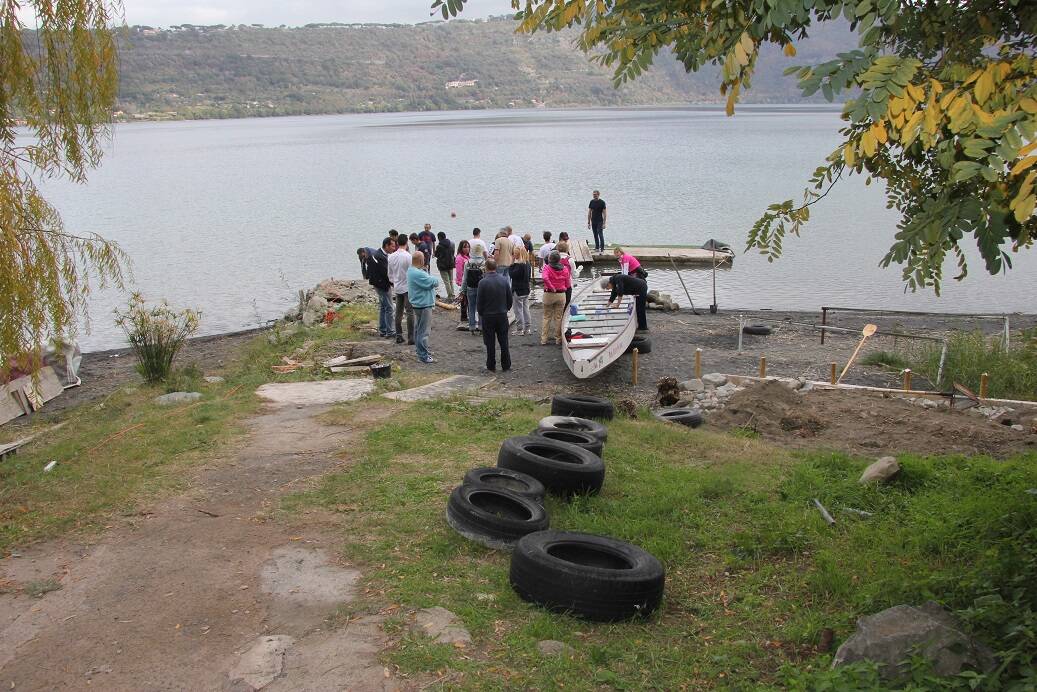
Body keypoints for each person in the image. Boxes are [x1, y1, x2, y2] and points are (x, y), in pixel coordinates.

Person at [477, 259, 513, 372]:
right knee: (504, 341)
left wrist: (481, 313)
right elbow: (509, 298)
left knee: (490, 342)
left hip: (488, 315)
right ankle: (506, 364)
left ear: (486, 268)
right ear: (496, 267)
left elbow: (479, 301)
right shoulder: (504, 280)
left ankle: (491, 365)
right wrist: (506, 308)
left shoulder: (482, 282)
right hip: (502, 314)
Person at [407, 251, 439, 363]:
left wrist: (425, 271)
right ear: (421, 260)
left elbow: (426, 280)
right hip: (424, 304)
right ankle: (423, 356)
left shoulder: (411, 270)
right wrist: (430, 276)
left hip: (418, 304)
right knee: (423, 331)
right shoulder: (418, 273)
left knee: (419, 329)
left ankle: (421, 351)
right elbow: (434, 282)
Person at [366, 237, 396, 338]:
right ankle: (390, 331)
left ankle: (383, 330)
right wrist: (393, 284)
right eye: (392, 246)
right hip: (382, 285)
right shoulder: (381, 257)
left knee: (383, 307)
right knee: (389, 308)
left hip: (378, 284)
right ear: (386, 245)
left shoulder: (378, 254)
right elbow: (386, 273)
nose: (394, 248)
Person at [388, 235, 415, 344]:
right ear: (407, 242)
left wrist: (394, 282)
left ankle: (399, 335)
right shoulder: (408, 256)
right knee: (410, 312)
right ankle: (411, 337)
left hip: (397, 286)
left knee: (398, 312)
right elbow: (412, 273)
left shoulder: (391, 257)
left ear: (397, 243)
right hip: (407, 286)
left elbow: (389, 274)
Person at [541, 250, 570, 346]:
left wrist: (551, 287)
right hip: (561, 294)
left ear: (550, 259)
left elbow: (545, 278)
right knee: (558, 317)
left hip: (549, 294)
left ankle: (544, 339)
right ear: (559, 260)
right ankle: (558, 339)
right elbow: (568, 284)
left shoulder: (547, 268)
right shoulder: (565, 269)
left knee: (546, 317)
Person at [460, 242, 486, 334]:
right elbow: (486, 277)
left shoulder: (467, 262)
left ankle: (472, 327)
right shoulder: (484, 262)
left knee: (471, 307)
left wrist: (463, 290)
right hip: (481, 288)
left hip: (470, 287)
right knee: (481, 308)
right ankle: (481, 326)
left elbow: (465, 278)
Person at [510, 244, 533, 336]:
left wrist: (511, 264)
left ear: (517, 254)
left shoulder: (518, 265)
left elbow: (511, 274)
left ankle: (520, 329)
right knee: (525, 309)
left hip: (518, 290)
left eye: (514, 254)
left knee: (518, 310)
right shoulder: (527, 264)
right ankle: (527, 328)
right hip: (526, 289)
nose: (513, 255)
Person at [555, 240, 577, 307]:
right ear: (567, 249)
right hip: (567, 285)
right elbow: (574, 275)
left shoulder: (554, 258)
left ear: (557, 249)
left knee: (557, 306)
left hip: (556, 284)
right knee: (567, 305)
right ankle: (564, 316)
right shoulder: (570, 260)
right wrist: (579, 270)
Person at [454, 240, 471, 328]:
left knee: (467, 299)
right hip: (463, 282)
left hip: (469, 282)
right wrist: (461, 283)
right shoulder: (459, 258)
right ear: (461, 248)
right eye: (465, 247)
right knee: (464, 299)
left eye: (468, 247)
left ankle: (467, 316)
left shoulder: (468, 257)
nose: (467, 249)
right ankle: (463, 317)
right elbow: (459, 272)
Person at [435, 231, 456, 299]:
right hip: (451, 264)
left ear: (439, 238)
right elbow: (453, 253)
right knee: (451, 281)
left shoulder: (439, 246)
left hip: (442, 266)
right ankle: (452, 294)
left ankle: (450, 296)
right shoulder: (451, 244)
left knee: (446, 282)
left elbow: (436, 255)